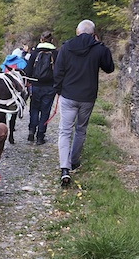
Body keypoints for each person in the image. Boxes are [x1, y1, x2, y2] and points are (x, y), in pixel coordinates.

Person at [53, 20, 114, 186]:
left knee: (65, 131)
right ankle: (74, 161)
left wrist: (58, 89)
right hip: (87, 97)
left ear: (77, 31)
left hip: (68, 95)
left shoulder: (66, 47)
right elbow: (109, 68)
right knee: (81, 129)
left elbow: (58, 71)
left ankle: (64, 168)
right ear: (93, 33)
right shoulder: (99, 49)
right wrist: (101, 45)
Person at [24, 31, 58, 145]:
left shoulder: (35, 52)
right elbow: (58, 71)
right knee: (45, 111)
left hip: (35, 85)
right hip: (50, 87)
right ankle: (40, 136)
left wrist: (28, 81)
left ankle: (31, 131)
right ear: (51, 40)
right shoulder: (55, 53)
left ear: (41, 39)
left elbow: (28, 70)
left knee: (34, 108)